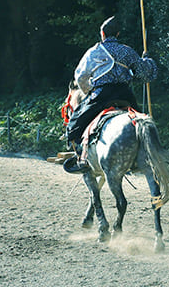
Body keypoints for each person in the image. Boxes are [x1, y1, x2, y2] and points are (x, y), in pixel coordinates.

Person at [64, 16, 158, 173]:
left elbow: (80, 77)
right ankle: (151, 155)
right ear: (118, 34)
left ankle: (81, 158)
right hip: (125, 95)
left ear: (102, 33)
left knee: (75, 123)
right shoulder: (127, 50)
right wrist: (147, 60)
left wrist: (88, 91)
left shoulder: (94, 52)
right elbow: (145, 73)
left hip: (102, 94)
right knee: (142, 123)